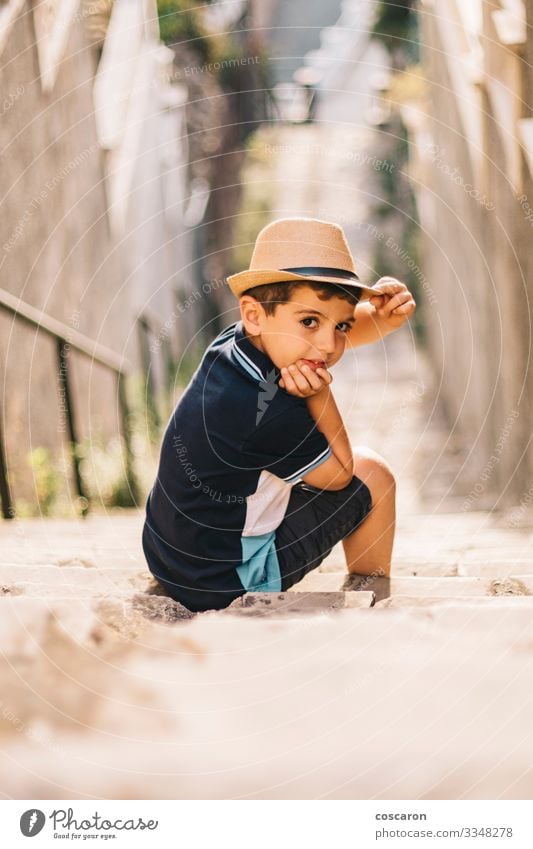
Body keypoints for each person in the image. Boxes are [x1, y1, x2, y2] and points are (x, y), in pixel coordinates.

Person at [142, 217, 416, 612]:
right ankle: (371, 592)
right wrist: (320, 394)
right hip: (221, 582)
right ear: (255, 314)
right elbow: (341, 475)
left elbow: (318, 339)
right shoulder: (265, 411)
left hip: (169, 557)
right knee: (374, 475)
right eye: (309, 321)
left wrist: (385, 321)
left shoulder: (238, 343)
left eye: (341, 324)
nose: (329, 344)